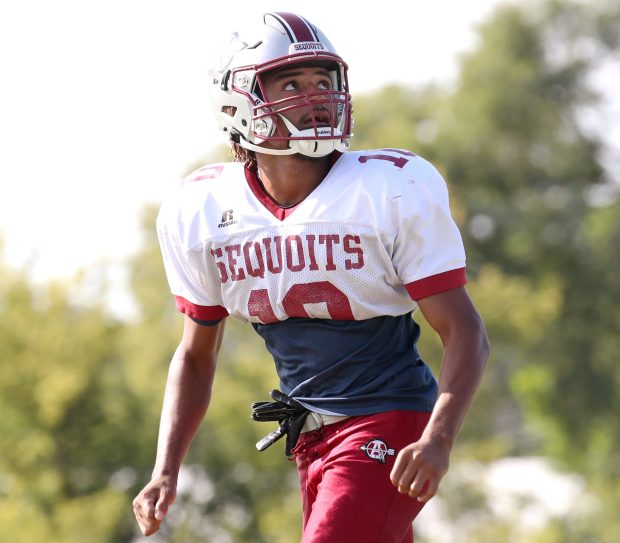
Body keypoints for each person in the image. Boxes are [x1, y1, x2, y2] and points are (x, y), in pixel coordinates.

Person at [132, 11, 489, 543]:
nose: (315, 95)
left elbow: (465, 330)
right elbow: (195, 355)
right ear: (238, 102)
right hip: (310, 438)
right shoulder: (203, 209)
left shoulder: (386, 188)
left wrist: (439, 436)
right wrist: (165, 467)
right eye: (292, 83)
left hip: (388, 420)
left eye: (323, 81)